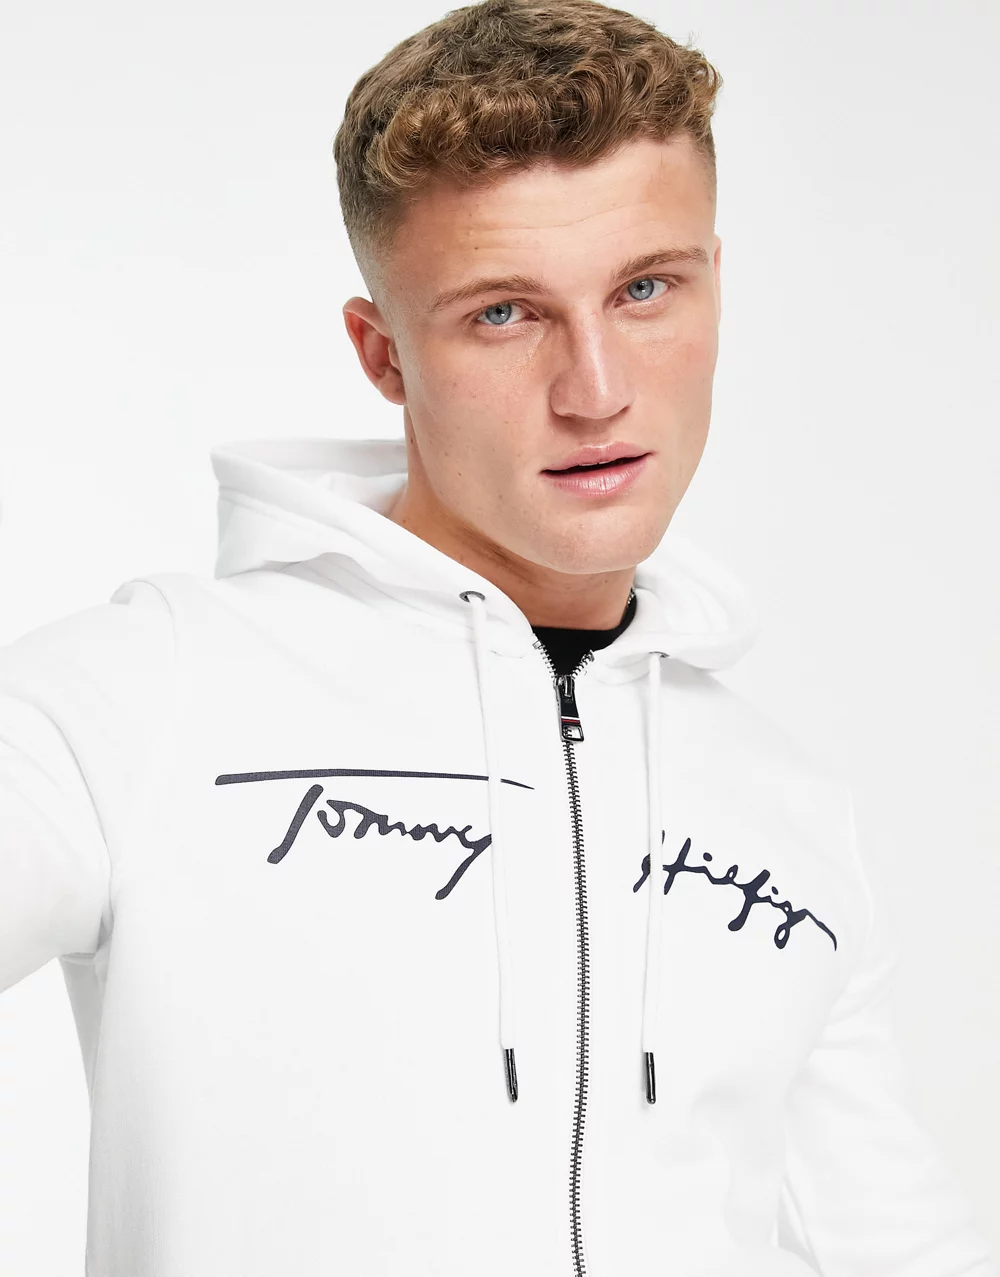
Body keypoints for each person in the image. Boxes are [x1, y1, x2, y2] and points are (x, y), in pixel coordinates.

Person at [0, 0, 995, 1273]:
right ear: (383, 354)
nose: (597, 390)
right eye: (504, 314)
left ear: (714, 283)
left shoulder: (780, 806)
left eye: (644, 289)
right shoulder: (151, 697)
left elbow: (900, 1247)